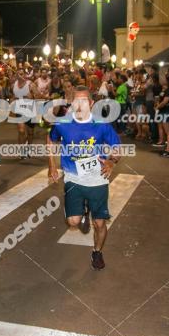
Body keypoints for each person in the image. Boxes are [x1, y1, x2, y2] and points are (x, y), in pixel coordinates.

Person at [47, 86, 121, 270]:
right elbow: (50, 140)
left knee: (100, 222)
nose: (80, 105)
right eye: (76, 101)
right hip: (73, 177)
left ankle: (97, 252)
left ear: (91, 103)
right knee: (72, 222)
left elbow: (117, 147)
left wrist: (111, 162)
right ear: (71, 103)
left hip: (97, 177)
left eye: (84, 101)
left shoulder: (101, 124)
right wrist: (52, 165)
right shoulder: (62, 123)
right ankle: (82, 213)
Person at [11, 70, 35, 158]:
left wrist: (32, 97)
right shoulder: (13, 85)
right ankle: (22, 151)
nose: (20, 76)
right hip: (20, 110)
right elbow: (12, 97)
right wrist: (12, 100)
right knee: (21, 131)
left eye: (22, 74)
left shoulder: (30, 84)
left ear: (25, 75)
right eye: (18, 74)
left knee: (30, 132)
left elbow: (38, 96)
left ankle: (29, 148)